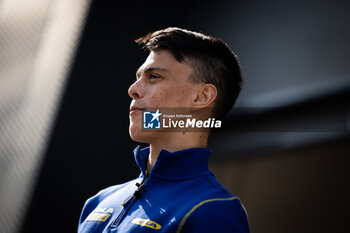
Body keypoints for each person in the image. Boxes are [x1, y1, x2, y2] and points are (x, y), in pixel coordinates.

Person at [78, 27, 250, 233]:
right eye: (138, 76)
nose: (133, 89)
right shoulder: (98, 201)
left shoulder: (214, 210)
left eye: (154, 77)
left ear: (201, 97)